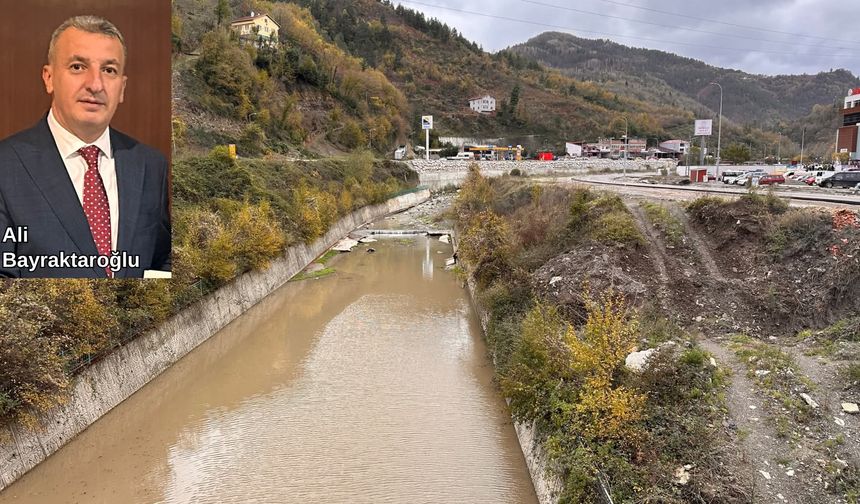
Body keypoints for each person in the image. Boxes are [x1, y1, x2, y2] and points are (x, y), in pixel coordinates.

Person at [0, 15, 170, 278]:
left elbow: (162, 261)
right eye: (78, 67)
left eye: (109, 70)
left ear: (122, 88)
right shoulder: (5, 167)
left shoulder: (151, 165)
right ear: (49, 78)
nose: (95, 84)